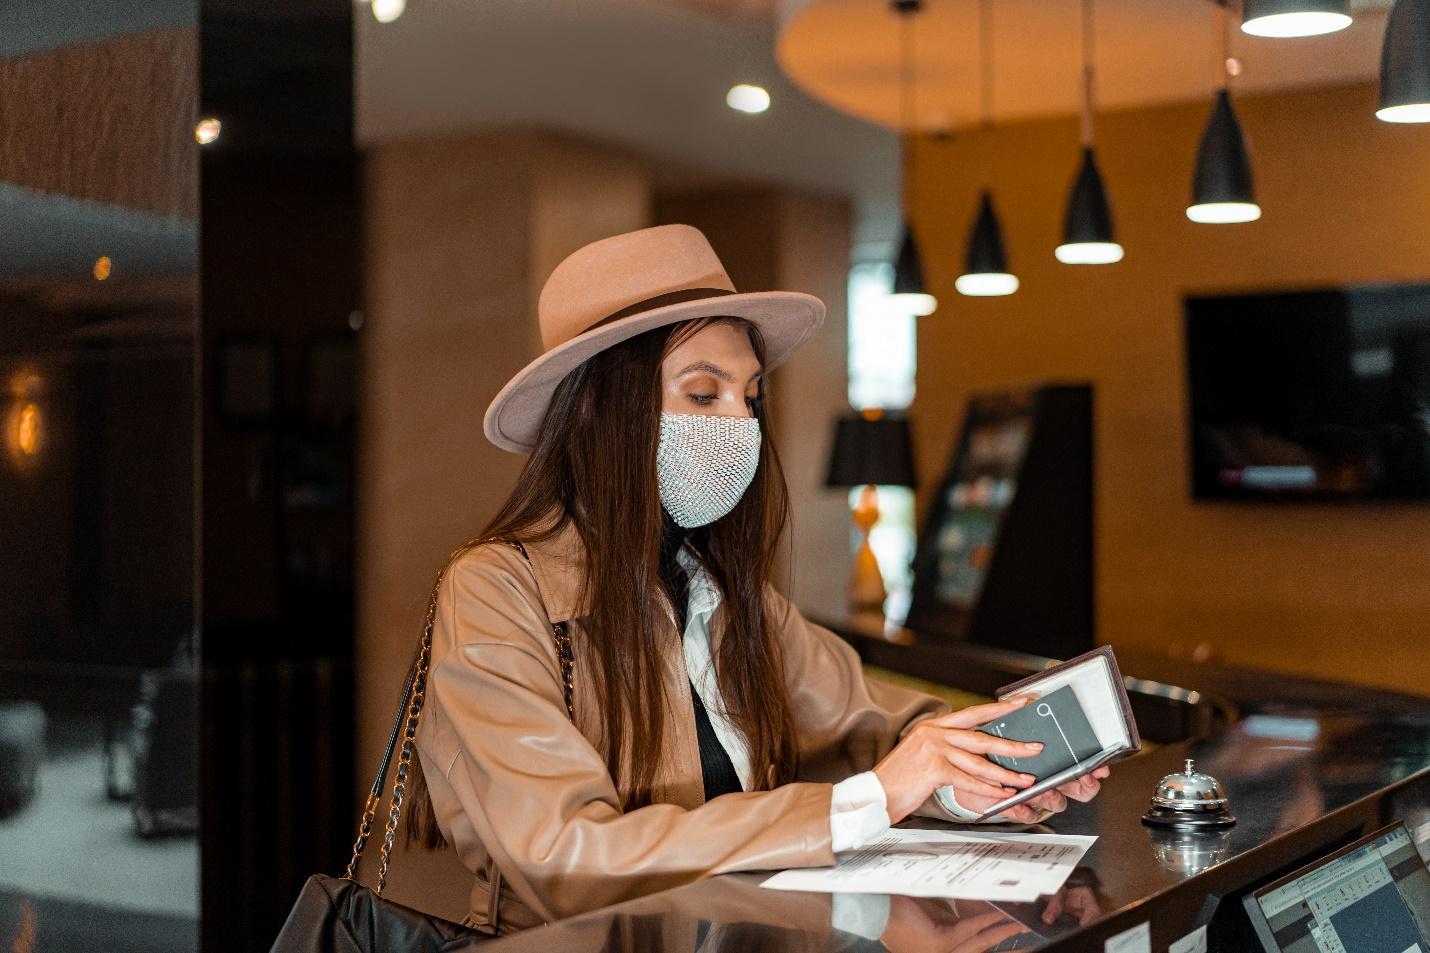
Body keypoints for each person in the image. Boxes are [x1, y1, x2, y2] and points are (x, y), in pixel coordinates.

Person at [406, 224, 1109, 934]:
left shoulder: (719, 590)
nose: (740, 423)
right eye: (704, 395)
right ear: (596, 406)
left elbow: (874, 727)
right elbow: (565, 856)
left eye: (749, 396)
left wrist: (995, 776)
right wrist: (867, 800)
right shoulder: (495, 590)